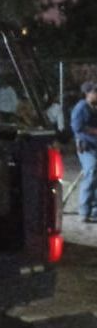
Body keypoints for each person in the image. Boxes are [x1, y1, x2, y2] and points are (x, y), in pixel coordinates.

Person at [70, 81, 97, 224]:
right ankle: (84, 211)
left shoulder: (94, 107)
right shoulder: (81, 108)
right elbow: (77, 128)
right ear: (88, 93)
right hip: (86, 146)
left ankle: (94, 210)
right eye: (95, 92)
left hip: (94, 145)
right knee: (91, 172)